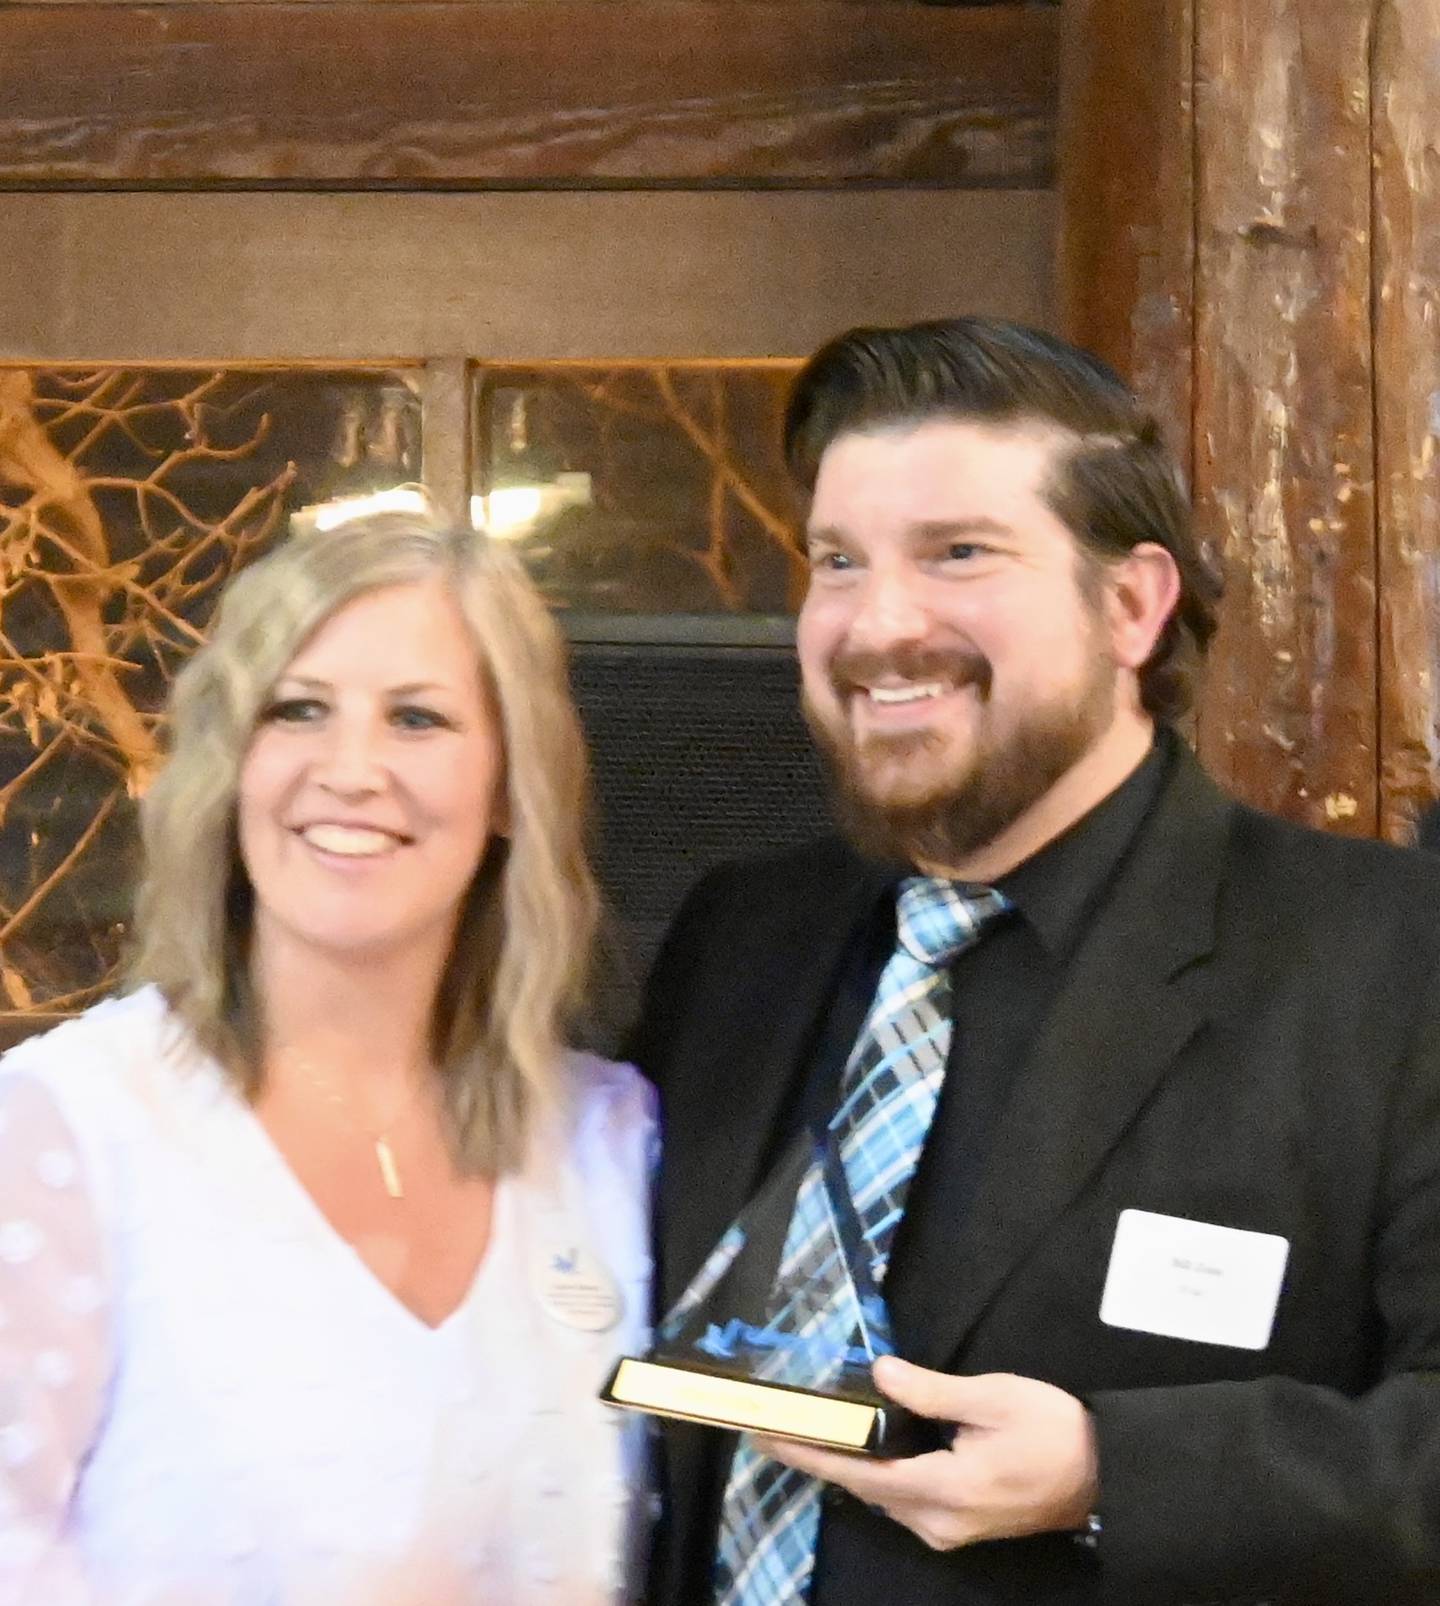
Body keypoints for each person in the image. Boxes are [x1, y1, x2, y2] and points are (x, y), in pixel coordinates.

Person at [630, 318, 1440, 1606]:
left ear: (1131, 605)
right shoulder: (739, 941)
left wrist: (1116, 1472)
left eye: (958, 553)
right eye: (837, 560)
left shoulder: (1393, 959)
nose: (877, 623)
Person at [0, 513, 655, 1604]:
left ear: (507, 787)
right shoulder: (61, 1131)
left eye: (418, 719)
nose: (351, 770)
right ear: (231, 765)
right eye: (297, 710)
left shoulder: (612, 1142)